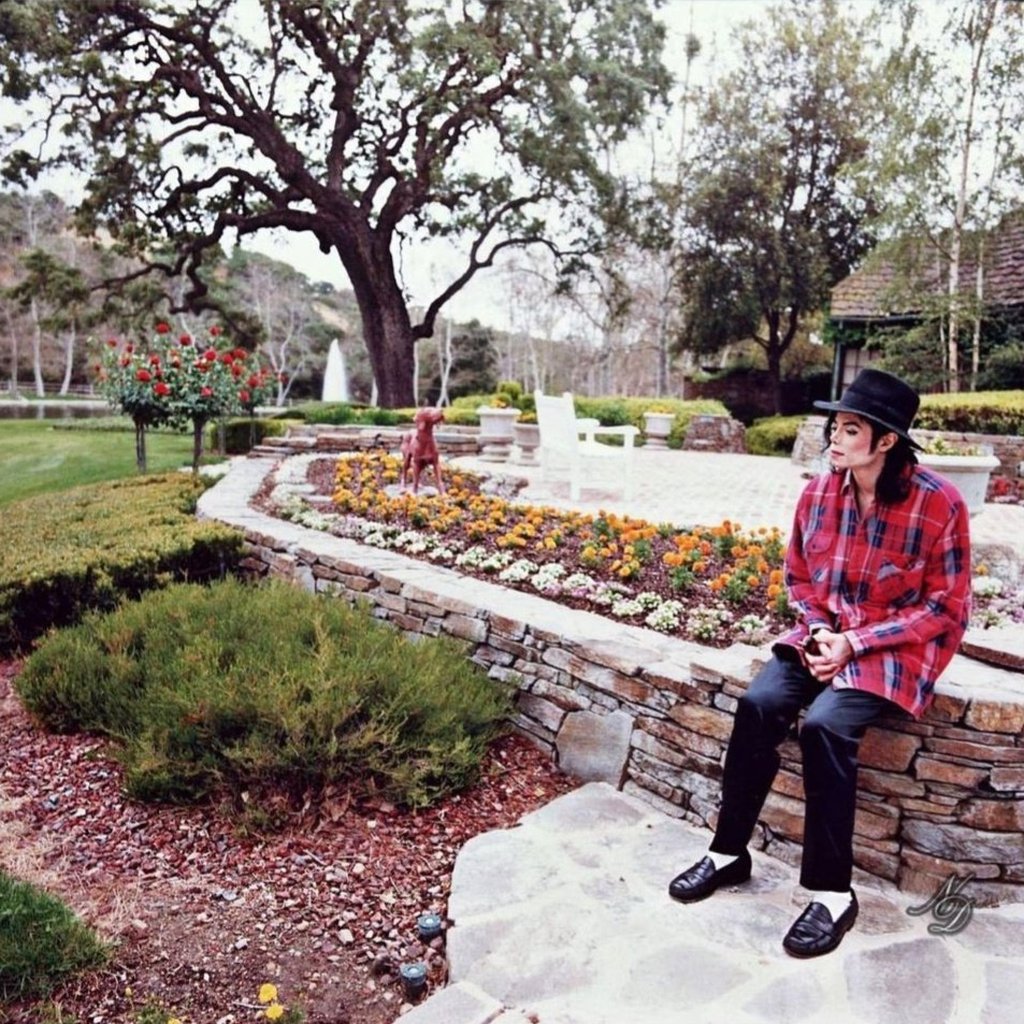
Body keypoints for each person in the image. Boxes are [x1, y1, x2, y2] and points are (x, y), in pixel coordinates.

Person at [667, 368, 972, 958]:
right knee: (758, 704)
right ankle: (728, 853)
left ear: (885, 441)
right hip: (824, 633)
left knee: (826, 726)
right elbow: (799, 577)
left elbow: (947, 605)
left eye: (850, 429)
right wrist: (824, 630)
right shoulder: (818, 492)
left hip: (895, 648)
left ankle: (833, 895)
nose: (834, 438)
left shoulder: (939, 504)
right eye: (835, 426)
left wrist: (857, 644)